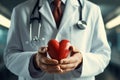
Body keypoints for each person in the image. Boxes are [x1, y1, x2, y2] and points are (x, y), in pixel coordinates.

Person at [4, 0, 111, 80]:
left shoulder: (92, 10)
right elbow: (10, 56)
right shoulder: (20, 11)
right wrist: (34, 62)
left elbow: (103, 55)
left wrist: (81, 61)